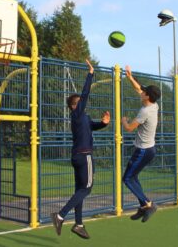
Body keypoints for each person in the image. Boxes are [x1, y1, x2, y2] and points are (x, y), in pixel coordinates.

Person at [51, 59, 110, 239]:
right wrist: (90, 73)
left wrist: (103, 123)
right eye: (81, 103)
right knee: (87, 189)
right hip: (84, 157)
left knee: (80, 191)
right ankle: (60, 215)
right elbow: (84, 95)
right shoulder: (76, 114)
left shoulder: (83, 118)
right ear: (75, 106)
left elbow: (92, 126)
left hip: (77, 156)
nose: (84, 104)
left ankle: (78, 224)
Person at [121, 65, 161, 223]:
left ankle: (148, 204)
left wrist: (124, 121)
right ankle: (143, 207)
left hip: (143, 151)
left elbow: (130, 128)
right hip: (148, 149)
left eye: (144, 92)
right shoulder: (153, 104)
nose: (141, 92)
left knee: (127, 179)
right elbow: (139, 89)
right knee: (133, 177)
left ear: (147, 97)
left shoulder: (145, 112)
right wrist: (130, 77)